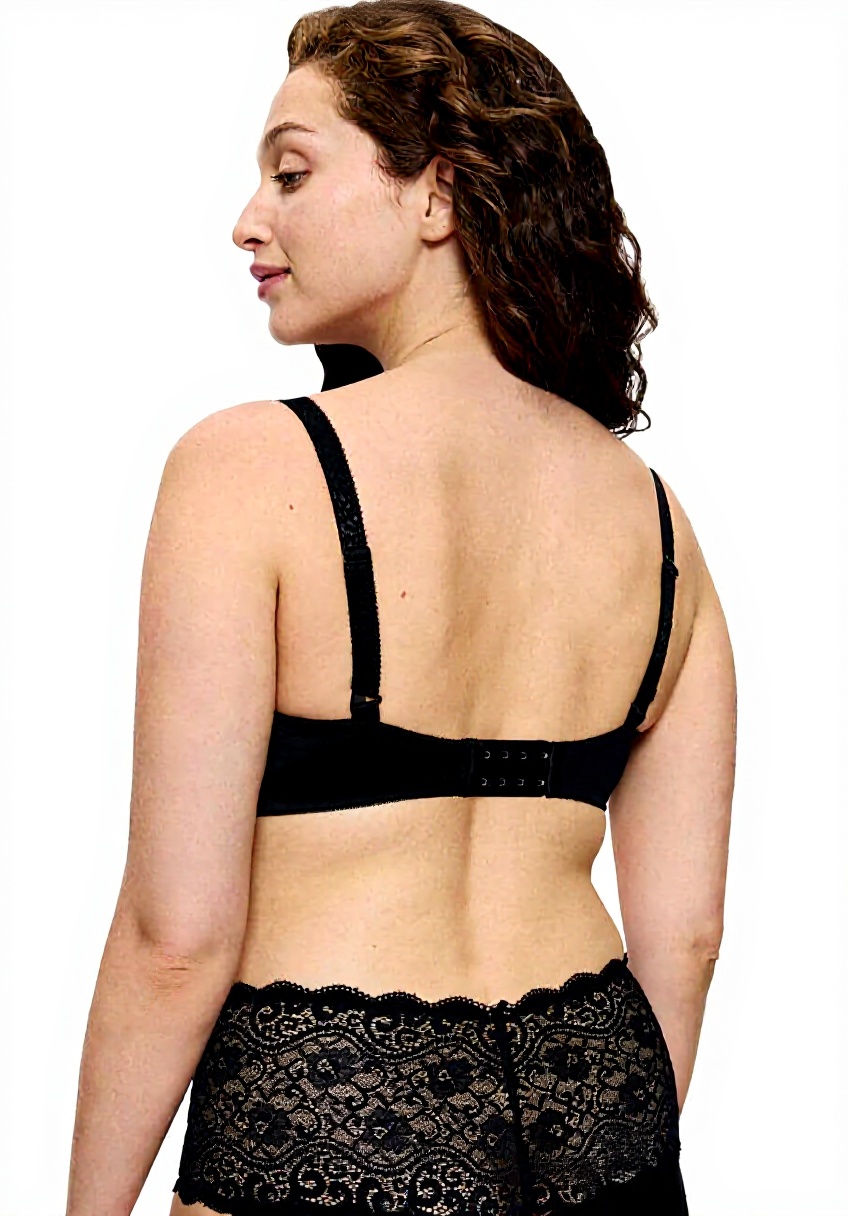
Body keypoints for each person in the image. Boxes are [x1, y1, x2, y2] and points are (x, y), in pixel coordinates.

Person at [64, 3, 736, 1215]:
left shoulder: (249, 468)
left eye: (290, 172)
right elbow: (683, 937)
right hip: (600, 1122)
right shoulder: (658, 525)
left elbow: (177, 934)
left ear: (437, 195)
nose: (247, 220)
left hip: (329, 1115)